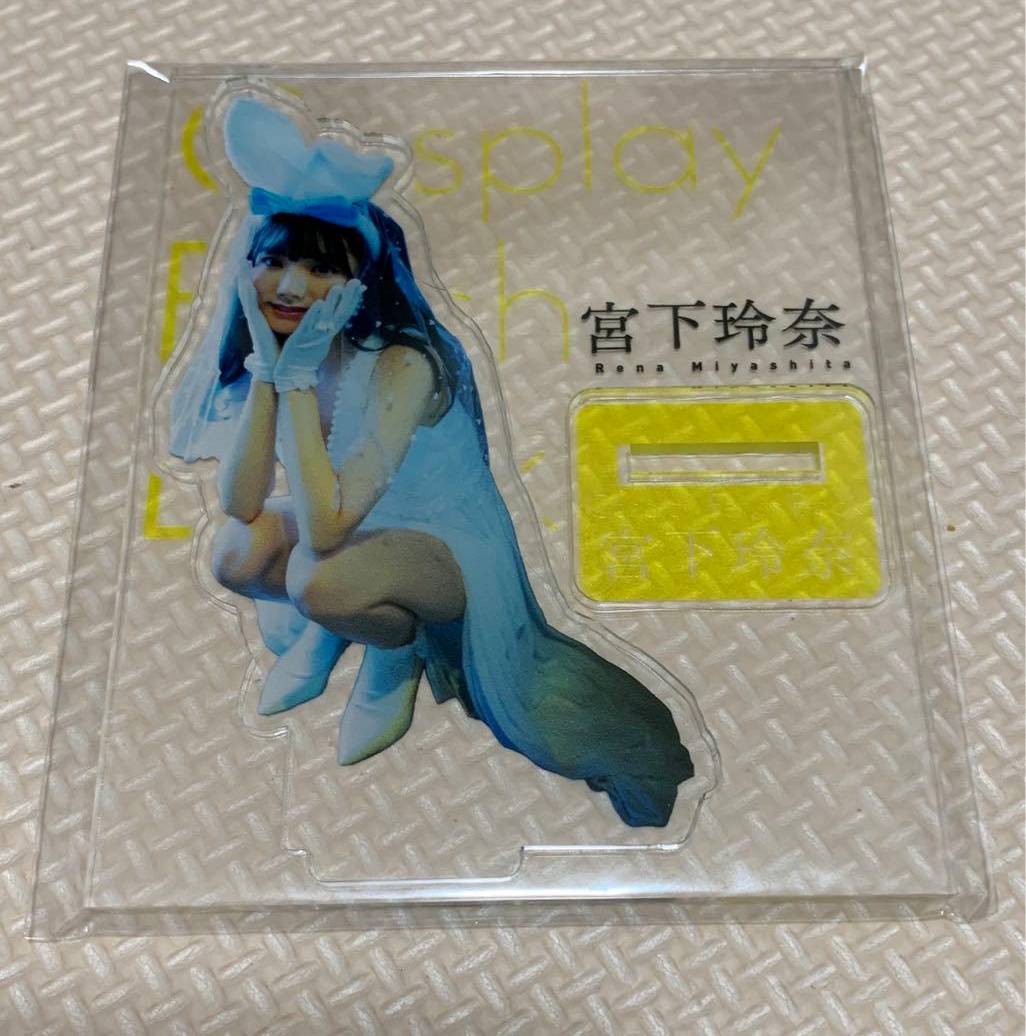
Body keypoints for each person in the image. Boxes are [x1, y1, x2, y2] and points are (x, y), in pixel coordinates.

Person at [168, 97, 694, 827]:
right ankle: (338, 630)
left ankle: (397, 651)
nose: (290, 286)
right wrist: (270, 368)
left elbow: (324, 531)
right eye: (274, 261)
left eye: (319, 267)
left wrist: (297, 377)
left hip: (444, 547)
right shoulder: (293, 346)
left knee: (320, 576)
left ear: (362, 278)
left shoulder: (403, 364)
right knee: (236, 550)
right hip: (350, 525)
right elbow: (242, 502)